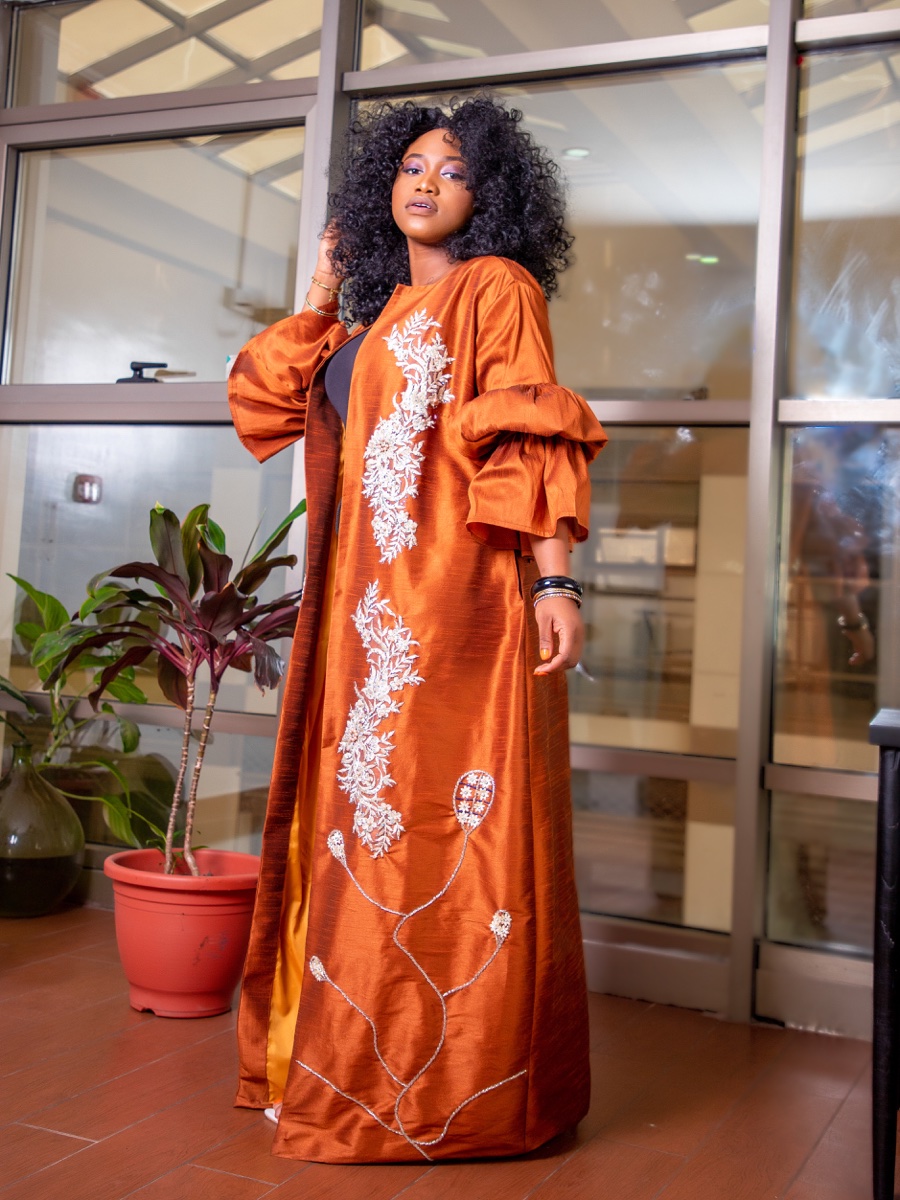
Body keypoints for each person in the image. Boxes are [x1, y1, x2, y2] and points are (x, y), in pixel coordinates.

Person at [228, 96, 608, 1164]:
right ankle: (342, 1059)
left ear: (493, 197)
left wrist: (556, 584)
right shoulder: (377, 318)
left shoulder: (498, 288)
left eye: (454, 168)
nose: (427, 179)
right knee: (361, 826)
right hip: (360, 619)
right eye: (410, 164)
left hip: (455, 610)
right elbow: (264, 403)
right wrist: (322, 288)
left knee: (436, 832)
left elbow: (529, 434)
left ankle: (438, 1086)